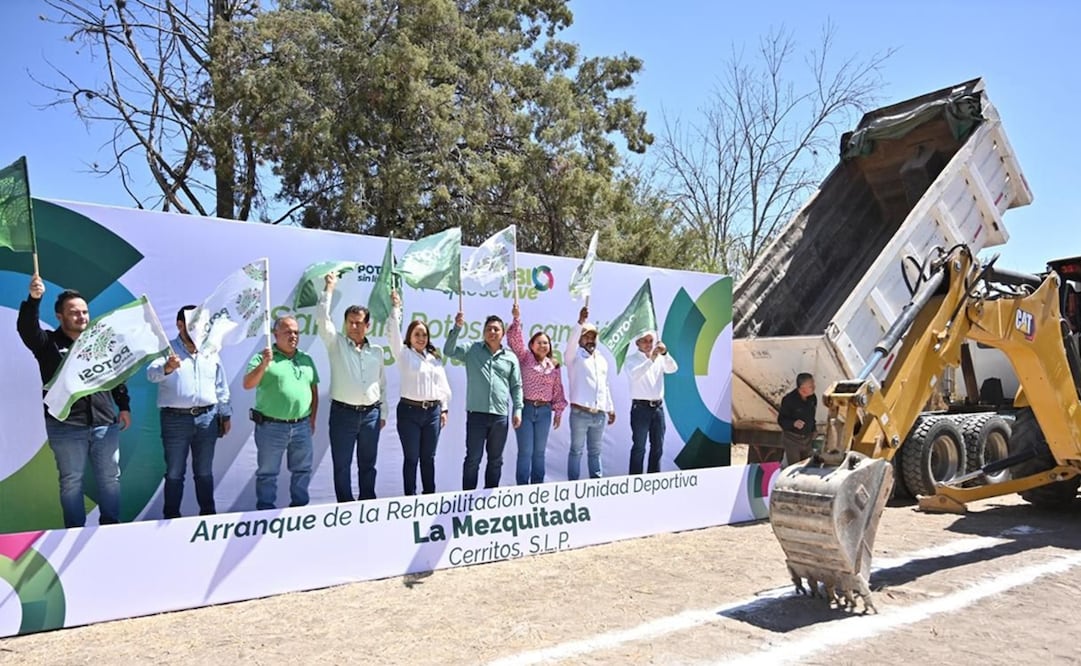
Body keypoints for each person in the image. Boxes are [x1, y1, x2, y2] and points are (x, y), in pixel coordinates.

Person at [17, 275, 132, 528]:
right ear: (59, 316)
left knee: (110, 479)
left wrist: (123, 406)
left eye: (85, 312)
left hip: (105, 423)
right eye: (74, 312)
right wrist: (34, 300)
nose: (81, 317)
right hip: (66, 427)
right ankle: (74, 531)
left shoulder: (99, 343)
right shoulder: (47, 343)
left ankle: (111, 527)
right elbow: (27, 330)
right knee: (71, 482)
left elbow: (115, 375)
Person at [146, 305, 232, 518]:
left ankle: (208, 516)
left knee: (204, 472)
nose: (197, 328)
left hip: (208, 417)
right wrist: (167, 367)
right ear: (180, 325)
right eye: (192, 324)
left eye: (200, 323)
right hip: (175, 419)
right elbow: (151, 374)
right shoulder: (168, 349)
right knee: (175, 472)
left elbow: (221, 385)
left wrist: (225, 414)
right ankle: (171, 518)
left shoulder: (210, 350)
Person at [317, 273, 386, 502]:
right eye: (350, 322)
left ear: (368, 325)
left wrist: (382, 413)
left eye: (359, 323)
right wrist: (329, 288)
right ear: (345, 324)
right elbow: (322, 319)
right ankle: (345, 508)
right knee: (342, 466)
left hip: (371, 415)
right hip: (343, 415)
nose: (355, 326)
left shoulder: (377, 352)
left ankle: (367, 506)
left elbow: (381, 384)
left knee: (369, 466)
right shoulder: (335, 343)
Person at [243, 315, 319, 510]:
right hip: (271, 426)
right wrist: (263, 365)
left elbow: (313, 391)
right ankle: (265, 513)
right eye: (287, 332)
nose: (293, 336)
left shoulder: (306, 358)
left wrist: (312, 419)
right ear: (275, 334)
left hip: (301, 425)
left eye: (296, 332)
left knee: (302, 470)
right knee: (268, 473)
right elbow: (248, 384)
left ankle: (299, 511)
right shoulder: (263, 357)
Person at [444, 311, 523, 490]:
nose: (492, 332)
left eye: (496, 329)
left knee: (496, 460)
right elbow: (449, 351)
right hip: (476, 415)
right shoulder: (472, 350)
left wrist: (518, 409)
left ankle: (488, 500)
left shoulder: (510, 357)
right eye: (488, 329)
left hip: (500, 416)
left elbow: (516, 386)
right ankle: (467, 498)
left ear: (502, 333)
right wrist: (456, 328)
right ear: (483, 332)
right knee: (473, 459)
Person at [389, 291, 452, 495]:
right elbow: (392, 333)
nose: (421, 338)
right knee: (411, 458)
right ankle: (410, 499)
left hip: (432, 413)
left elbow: (442, 385)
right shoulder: (403, 354)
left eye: (424, 334)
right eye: (417, 334)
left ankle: (429, 497)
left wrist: (444, 409)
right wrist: (396, 308)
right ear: (409, 336)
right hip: (409, 412)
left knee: (428, 458)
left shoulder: (434, 357)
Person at [507, 302, 567, 484]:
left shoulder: (554, 366)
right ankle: (522, 489)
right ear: (531, 345)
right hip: (525, 409)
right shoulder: (524, 358)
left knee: (539, 452)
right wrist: (516, 318)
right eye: (539, 342)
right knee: (525, 452)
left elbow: (557, 390)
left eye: (546, 343)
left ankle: (537, 488)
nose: (543, 345)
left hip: (544, 412)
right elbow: (514, 341)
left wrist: (558, 411)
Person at [564, 306, 615, 480]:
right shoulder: (574, 356)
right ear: (580, 338)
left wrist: (610, 407)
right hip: (580, 413)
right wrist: (580, 323)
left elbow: (604, 384)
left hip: (598, 414)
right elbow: (571, 344)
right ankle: (572, 486)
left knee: (595, 452)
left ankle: (597, 484)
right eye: (586, 336)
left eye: (593, 336)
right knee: (576, 451)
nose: (590, 339)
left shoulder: (600, 358)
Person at [624, 330, 678, 475]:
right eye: (644, 341)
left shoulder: (659, 358)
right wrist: (651, 359)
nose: (648, 344)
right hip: (640, 408)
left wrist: (665, 353)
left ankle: (653, 481)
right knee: (639, 447)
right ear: (637, 343)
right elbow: (635, 375)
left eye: (650, 341)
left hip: (658, 408)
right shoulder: (631, 360)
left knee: (658, 446)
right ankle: (635, 481)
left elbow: (673, 368)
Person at [777, 372, 817, 465]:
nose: (814, 387)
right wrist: (793, 423)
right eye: (811, 386)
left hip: (807, 439)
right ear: (802, 388)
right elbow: (781, 420)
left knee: (808, 466)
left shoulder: (813, 398)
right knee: (795, 467)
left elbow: (812, 416)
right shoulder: (789, 400)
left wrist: (813, 429)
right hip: (792, 440)